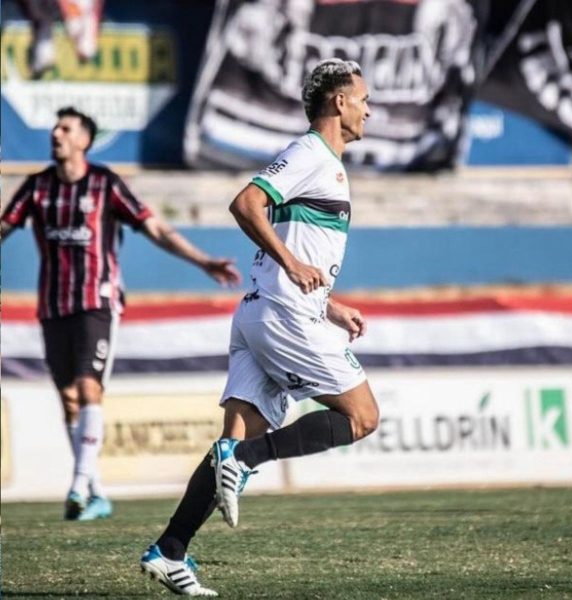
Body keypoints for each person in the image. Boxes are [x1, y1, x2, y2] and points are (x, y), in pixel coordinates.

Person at [140, 58, 379, 597]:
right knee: (362, 417)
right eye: (363, 98)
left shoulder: (327, 165)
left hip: (261, 311)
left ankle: (170, 549)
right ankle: (245, 462)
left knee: (237, 432)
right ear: (339, 102)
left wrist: (329, 302)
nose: (369, 109)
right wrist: (295, 270)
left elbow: (296, 244)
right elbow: (246, 204)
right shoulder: (311, 154)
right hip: (282, 314)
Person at [0, 106, 242, 522]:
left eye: (65, 128)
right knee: (69, 399)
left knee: (88, 387)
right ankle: (94, 490)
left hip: (98, 301)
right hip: (53, 306)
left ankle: (76, 485)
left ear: (84, 140)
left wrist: (203, 262)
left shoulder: (105, 184)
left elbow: (157, 229)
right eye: (55, 128)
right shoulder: (37, 187)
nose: (56, 134)